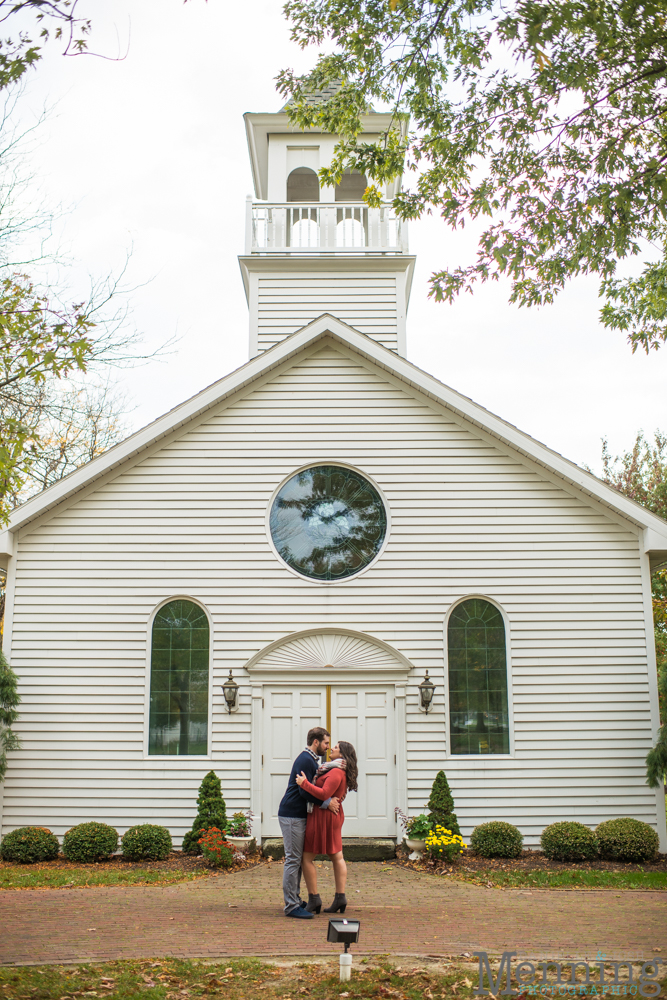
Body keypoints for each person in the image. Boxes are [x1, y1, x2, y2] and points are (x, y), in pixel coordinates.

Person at [277, 726, 340, 919]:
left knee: (296, 859)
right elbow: (305, 790)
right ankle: (291, 906)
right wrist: (327, 803)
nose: (328, 747)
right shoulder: (306, 760)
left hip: (297, 816)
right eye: (326, 743)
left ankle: (294, 899)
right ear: (316, 742)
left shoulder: (312, 760)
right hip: (292, 815)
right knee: (293, 859)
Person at [295, 739, 358, 914]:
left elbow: (324, 794)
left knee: (307, 858)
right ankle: (340, 898)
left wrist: (304, 784)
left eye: (336, 747)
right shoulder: (335, 770)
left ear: (342, 754)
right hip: (330, 816)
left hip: (324, 818)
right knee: (336, 856)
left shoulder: (336, 772)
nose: (332, 748)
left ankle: (315, 898)